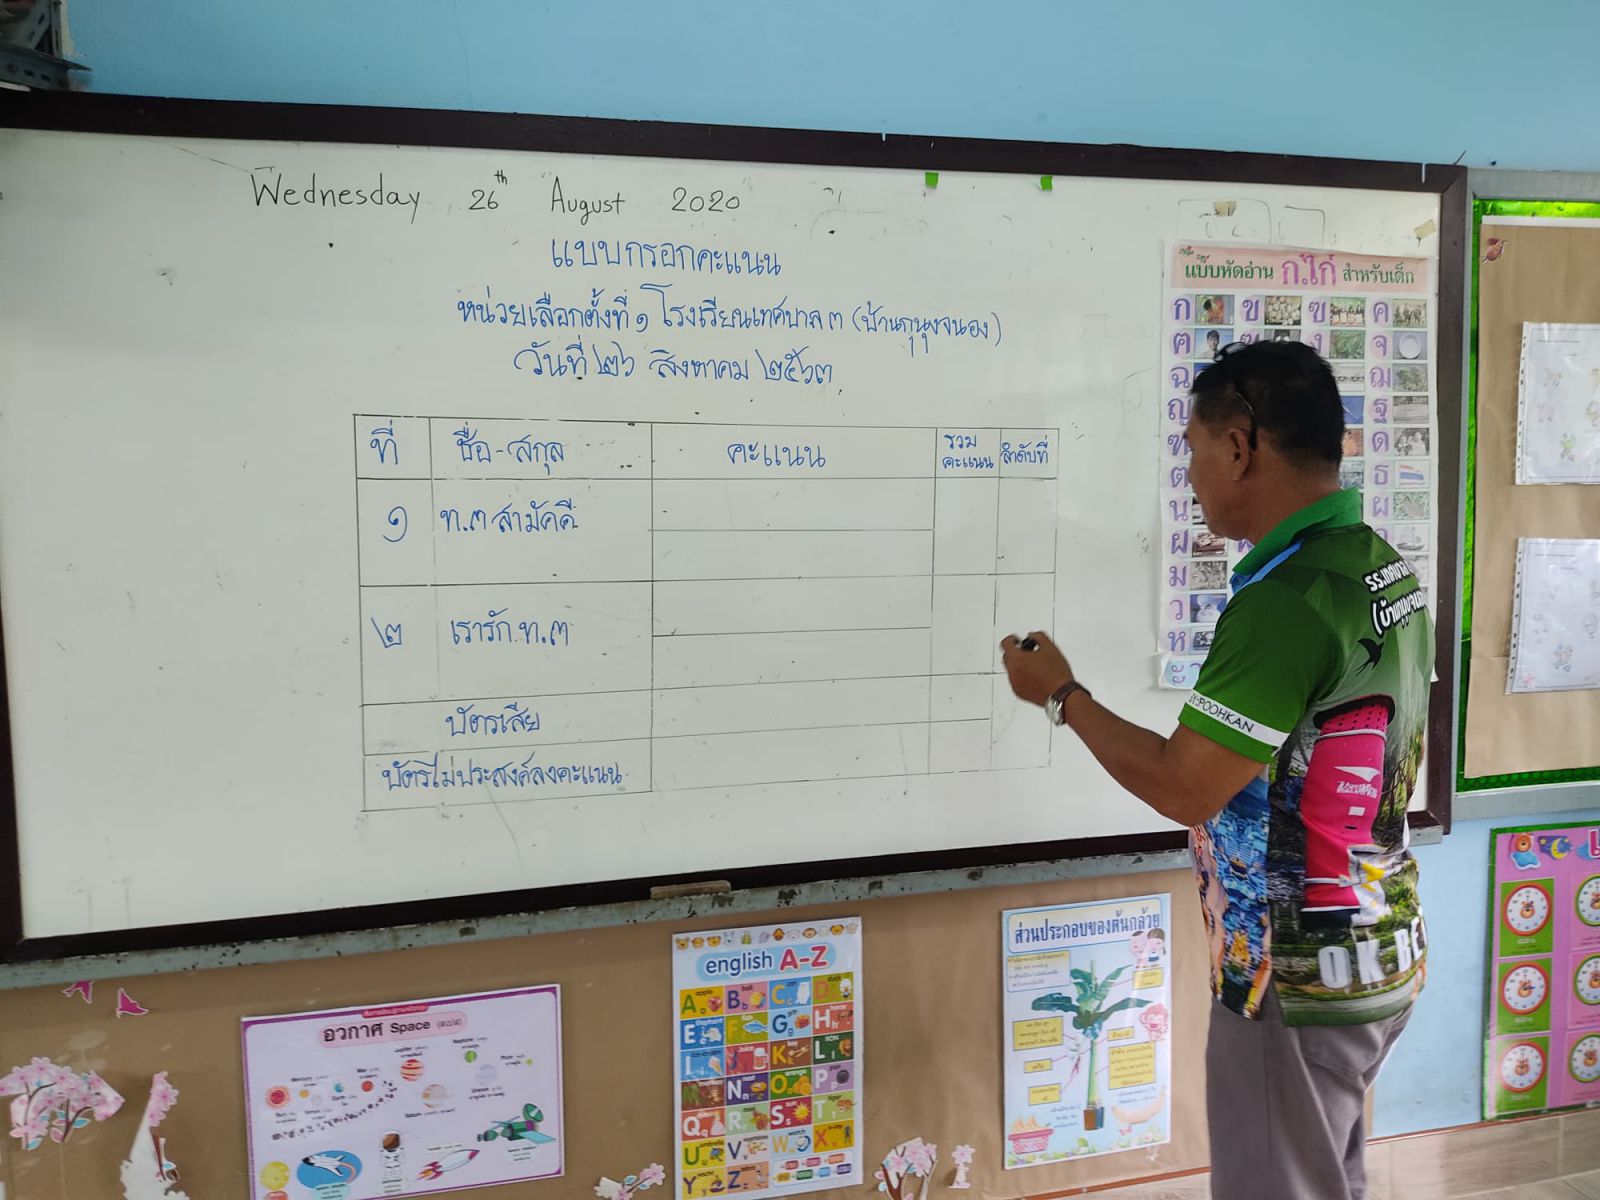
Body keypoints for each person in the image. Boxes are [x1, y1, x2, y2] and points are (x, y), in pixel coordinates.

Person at [1000, 341, 1430, 1200]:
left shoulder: (1287, 602)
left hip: (1291, 975)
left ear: (1240, 447)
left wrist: (1062, 696)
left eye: (1193, 449)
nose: (1190, 475)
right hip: (1375, 946)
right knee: (1322, 1178)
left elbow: (1185, 784)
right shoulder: (1372, 563)